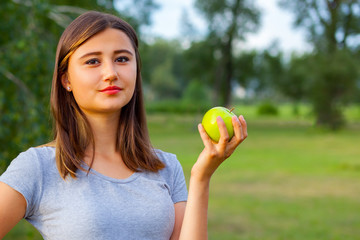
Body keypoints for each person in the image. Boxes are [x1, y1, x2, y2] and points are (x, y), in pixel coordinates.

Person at [0, 11, 247, 240]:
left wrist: (201, 176)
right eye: (92, 62)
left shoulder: (166, 167)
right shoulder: (38, 168)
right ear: (66, 80)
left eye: (121, 59)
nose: (110, 73)